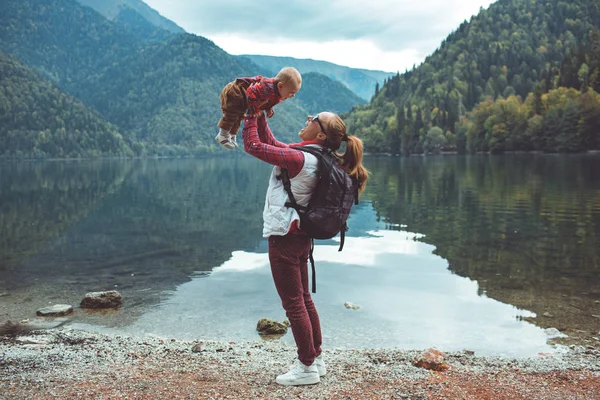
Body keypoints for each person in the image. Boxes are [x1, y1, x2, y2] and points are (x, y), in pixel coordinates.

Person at [242, 110, 369, 386]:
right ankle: (316, 357)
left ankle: (306, 366)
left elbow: (253, 146)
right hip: (301, 236)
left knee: (293, 303)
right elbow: (272, 143)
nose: (308, 118)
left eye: (314, 118)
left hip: (285, 236)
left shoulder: (301, 158)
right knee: (303, 299)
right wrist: (262, 115)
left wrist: (249, 113)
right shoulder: (313, 157)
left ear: (321, 134)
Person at [216, 67, 302, 149]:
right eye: (291, 92)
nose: (293, 96)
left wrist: (268, 108)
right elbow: (251, 92)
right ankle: (222, 135)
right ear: (280, 86)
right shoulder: (267, 87)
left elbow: (266, 100)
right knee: (232, 114)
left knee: (239, 116)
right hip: (236, 91)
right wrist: (255, 110)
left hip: (243, 97)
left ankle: (231, 134)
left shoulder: (277, 92)